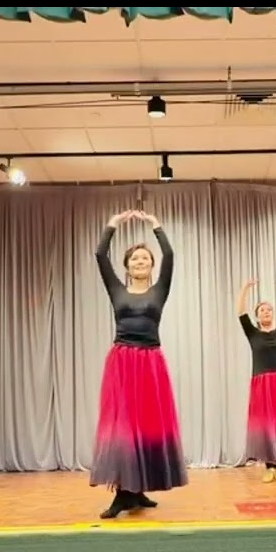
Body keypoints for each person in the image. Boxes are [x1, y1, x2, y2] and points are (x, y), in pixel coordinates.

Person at [90, 209, 188, 518]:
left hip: (150, 364)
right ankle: (122, 493)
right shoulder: (116, 289)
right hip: (122, 363)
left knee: (145, 426)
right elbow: (99, 253)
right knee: (123, 427)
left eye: (145, 258)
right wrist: (112, 224)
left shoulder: (159, 289)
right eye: (135, 259)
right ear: (128, 267)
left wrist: (156, 226)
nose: (140, 262)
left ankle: (139, 488)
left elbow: (170, 254)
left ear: (151, 265)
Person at [237, 278, 276, 482]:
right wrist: (245, 289)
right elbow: (241, 313)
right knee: (265, 425)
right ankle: (269, 466)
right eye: (263, 310)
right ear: (257, 316)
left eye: (269, 310)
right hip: (262, 384)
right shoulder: (253, 334)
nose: (266, 312)